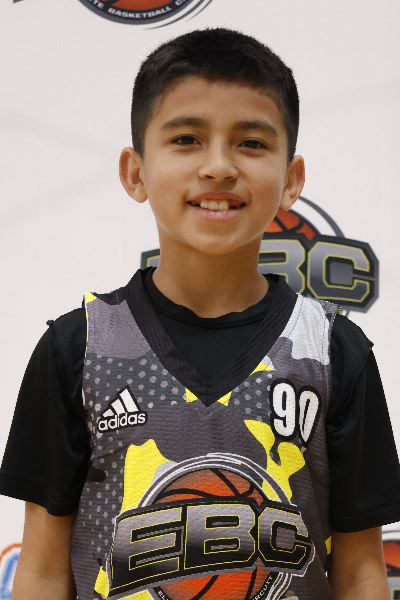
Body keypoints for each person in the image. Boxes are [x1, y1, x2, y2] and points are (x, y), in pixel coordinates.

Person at [1, 28, 399, 600]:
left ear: (291, 180)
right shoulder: (78, 348)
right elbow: (40, 570)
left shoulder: (334, 352)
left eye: (251, 143)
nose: (218, 166)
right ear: (135, 172)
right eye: (186, 139)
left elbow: (361, 572)